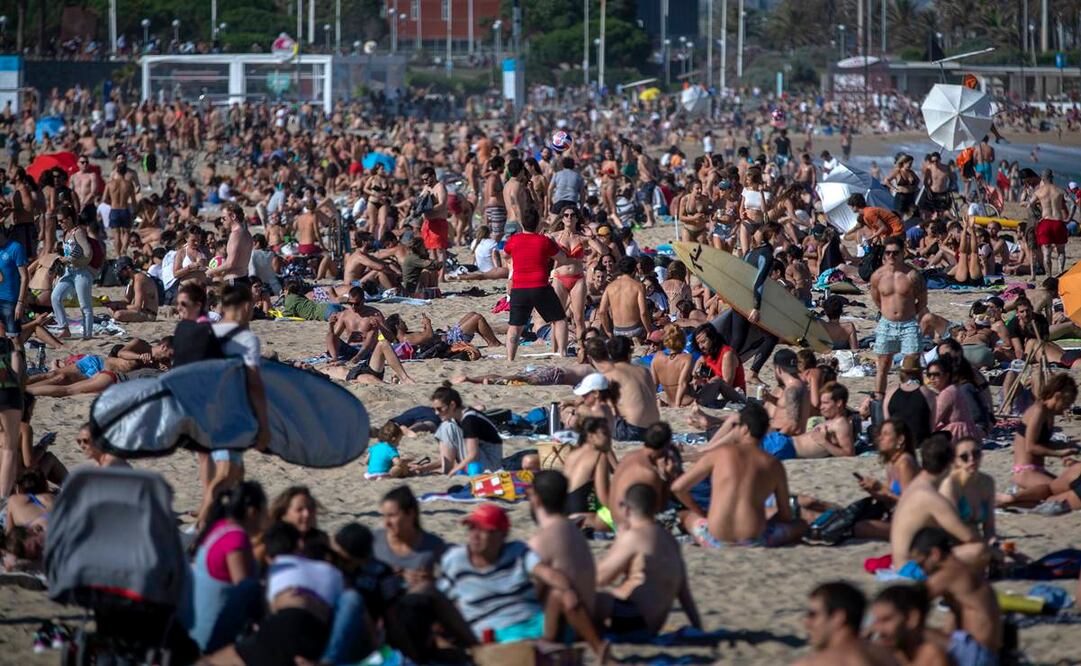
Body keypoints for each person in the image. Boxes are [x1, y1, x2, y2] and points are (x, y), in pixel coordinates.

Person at [436, 504, 608, 658]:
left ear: (501, 535)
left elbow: (547, 573)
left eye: (483, 530)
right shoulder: (456, 560)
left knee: (560, 594)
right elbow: (438, 599)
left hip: (533, 622)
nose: (475, 535)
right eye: (472, 528)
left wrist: (568, 590)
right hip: (495, 631)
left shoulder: (517, 551)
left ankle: (600, 651)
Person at [672, 402, 806, 547]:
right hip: (755, 539)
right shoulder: (773, 464)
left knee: (686, 516)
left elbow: (678, 488)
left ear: (744, 429)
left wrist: (699, 512)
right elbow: (785, 515)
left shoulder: (720, 454)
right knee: (801, 524)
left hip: (714, 538)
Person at [194, 285, 270, 529]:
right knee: (225, 474)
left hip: (202, 410)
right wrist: (263, 424)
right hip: (229, 414)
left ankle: (232, 523)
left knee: (236, 474)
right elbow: (254, 385)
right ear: (246, 305)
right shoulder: (246, 339)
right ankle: (199, 529)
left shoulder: (208, 332)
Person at [594, 483, 702, 636]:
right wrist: (698, 628)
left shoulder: (634, 536)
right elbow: (684, 594)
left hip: (631, 620)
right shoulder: (670, 540)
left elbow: (600, 578)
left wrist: (618, 543)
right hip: (652, 626)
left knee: (578, 592)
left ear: (627, 509)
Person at [187, 482, 267, 653]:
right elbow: (244, 591)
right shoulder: (236, 539)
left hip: (197, 627)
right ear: (253, 512)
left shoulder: (219, 527)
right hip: (216, 636)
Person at [890, 435, 988, 572]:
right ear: (949, 465)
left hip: (902, 561)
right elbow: (969, 536)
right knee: (979, 550)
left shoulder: (917, 485)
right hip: (911, 568)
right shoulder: (931, 497)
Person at [910, 527, 1003, 666]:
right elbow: (951, 627)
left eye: (921, 564)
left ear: (935, 554)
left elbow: (908, 599)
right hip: (983, 653)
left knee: (903, 631)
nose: (922, 571)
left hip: (977, 654)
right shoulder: (963, 571)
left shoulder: (950, 573)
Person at [526, 470, 599, 625]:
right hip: (588, 615)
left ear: (536, 499)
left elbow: (533, 598)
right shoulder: (575, 531)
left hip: (564, 626)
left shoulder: (540, 541)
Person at [870, 235, 926, 399]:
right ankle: (879, 399)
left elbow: (922, 301)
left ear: (903, 253)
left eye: (895, 253)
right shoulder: (878, 276)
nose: (891, 256)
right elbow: (877, 299)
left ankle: (916, 397)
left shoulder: (912, 275)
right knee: (883, 364)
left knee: (912, 364)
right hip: (887, 324)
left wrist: (908, 313)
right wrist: (887, 312)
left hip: (908, 324)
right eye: (888, 253)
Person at [793, 581, 900, 665]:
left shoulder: (812, 664)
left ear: (838, 617)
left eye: (813, 615)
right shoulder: (888, 657)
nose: (807, 623)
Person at [1010, 373, 1079, 490]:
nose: (1067, 407)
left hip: (1038, 469)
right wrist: (1059, 453)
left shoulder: (1049, 413)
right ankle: (1011, 497)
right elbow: (1031, 447)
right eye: (1066, 403)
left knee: (1074, 488)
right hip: (1025, 471)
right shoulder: (1039, 411)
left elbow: (1043, 444)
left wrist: (1069, 446)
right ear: (1057, 396)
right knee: (1065, 490)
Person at [373, 485, 447, 588]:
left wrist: (430, 581)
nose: (386, 523)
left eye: (392, 516)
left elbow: (451, 585)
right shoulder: (375, 540)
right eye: (384, 516)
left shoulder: (433, 546)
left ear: (410, 514)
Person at [430, 383, 505, 474]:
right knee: (447, 425)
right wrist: (424, 468)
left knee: (447, 426)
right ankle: (447, 470)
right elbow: (448, 456)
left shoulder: (469, 419)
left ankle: (448, 471)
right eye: (434, 409)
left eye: (440, 409)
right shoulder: (459, 417)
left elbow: (473, 455)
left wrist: (453, 471)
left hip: (490, 463)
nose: (436, 413)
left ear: (452, 405)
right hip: (483, 458)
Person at [868, 585, 951, 666]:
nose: (878, 629)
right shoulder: (880, 653)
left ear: (911, 618)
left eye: (886, 620)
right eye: (876, 621)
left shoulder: (930, 656)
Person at [50, 205, 95, 340]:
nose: (59, 223)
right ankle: (64, 328)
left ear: (69, 219)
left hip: (81, 273)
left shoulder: (78, 232)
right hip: (68, 272)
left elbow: (88, 253)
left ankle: (87, 335)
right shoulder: (66, 233)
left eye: (61, 220)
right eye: (58, 221)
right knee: (55, 297)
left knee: (85, 306)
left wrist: (69, 259)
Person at [940, 437, 995, 543]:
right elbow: (952, 529)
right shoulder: (951, 484)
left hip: (974, 541)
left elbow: (989, 528)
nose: (971, 459)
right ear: (956, 461)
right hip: (948, 542)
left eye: (976, 454)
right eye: (964, 457)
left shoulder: (987, 482)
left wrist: (993, 542)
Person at [596, 256, 651, 342]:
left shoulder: (610, 287)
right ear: (634, 270)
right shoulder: (638, 286)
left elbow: (602, 312)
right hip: (635, 329)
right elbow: (643, 312)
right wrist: (649, 331)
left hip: (617, 331)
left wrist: (608, 332)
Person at [0, 223, 28, 378]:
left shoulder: (15, 248)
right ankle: (7, 371)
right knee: (2, 338)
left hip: (11, 300)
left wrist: (20, 302)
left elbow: (24, 277)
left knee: (15, 338)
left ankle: (22, 372)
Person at [206, 202, 253, 288]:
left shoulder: (235, 235)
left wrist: (211, 271)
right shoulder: (247, 234)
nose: (221, 221)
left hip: (234, 280)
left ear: (233, 216)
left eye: (224, 218)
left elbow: (230, 263)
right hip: (244, 278)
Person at [1034, 168, 1068, 274]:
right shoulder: (1060, 190)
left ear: (1042, 178)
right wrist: (1069, 218)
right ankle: (1061, 272)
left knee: (1046, 254)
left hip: (1046, 222)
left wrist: (1037, 216)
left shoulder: (1039, 191)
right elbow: (1073, 204)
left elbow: (1029, 204)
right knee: (1061, 251)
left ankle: (1049, 276)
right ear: (1052, 177)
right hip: (1058, 222)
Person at [104, 256, 159, 322]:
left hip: (148, 314)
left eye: (121, 272)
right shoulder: (132, 280)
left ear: (128, 268)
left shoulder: (139, 279)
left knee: (118, 314)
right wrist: (111, 303)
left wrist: (117, 306)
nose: (120, 274)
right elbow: (127, 300)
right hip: (140, 311)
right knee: (110, 308)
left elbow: (137, 307)